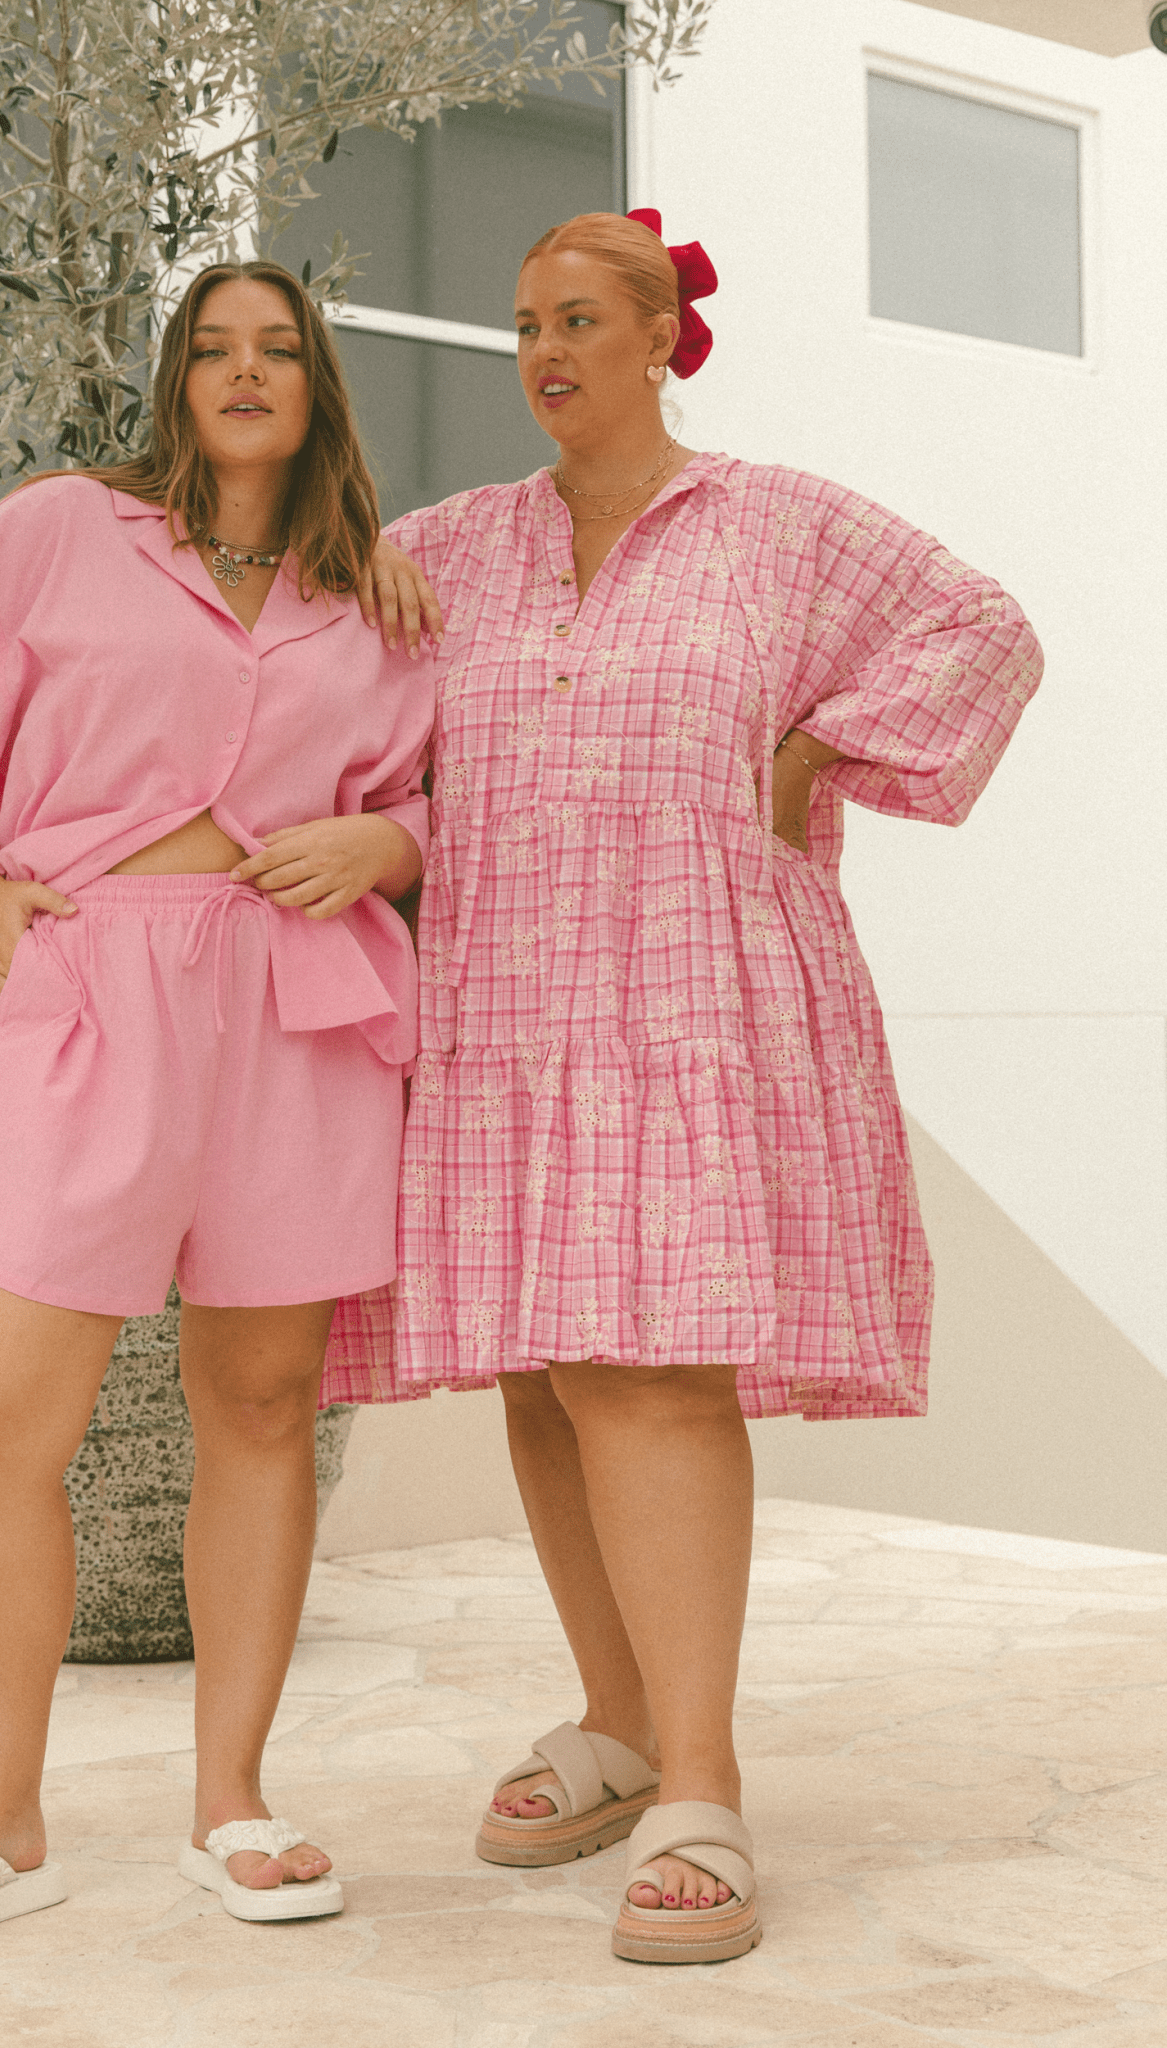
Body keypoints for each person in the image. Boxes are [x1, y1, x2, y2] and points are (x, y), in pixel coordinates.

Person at [356, 208, 1041, 1964]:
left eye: (580, 319)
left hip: (689, 996)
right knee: (545, 1371)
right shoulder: (450, 549)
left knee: (648, 1367)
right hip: (504, 1002)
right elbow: (306, 656)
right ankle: (618, 1723)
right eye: (524, 323)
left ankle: (704, 1783)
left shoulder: (779, 528)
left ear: (663, 337)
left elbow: (981, 624)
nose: (543, 351)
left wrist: (819, 750)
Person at [0, 260, 434, 1956]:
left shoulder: (373, 598)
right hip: (89, 983)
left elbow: (443, 798)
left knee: (259, 1406)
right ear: (173, 379)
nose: (244, 372)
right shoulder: (58, 532)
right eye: (211, 348)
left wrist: (385, 843)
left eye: (278, 350)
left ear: (316, 388)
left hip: (295, 1008)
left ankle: (231, 1799)